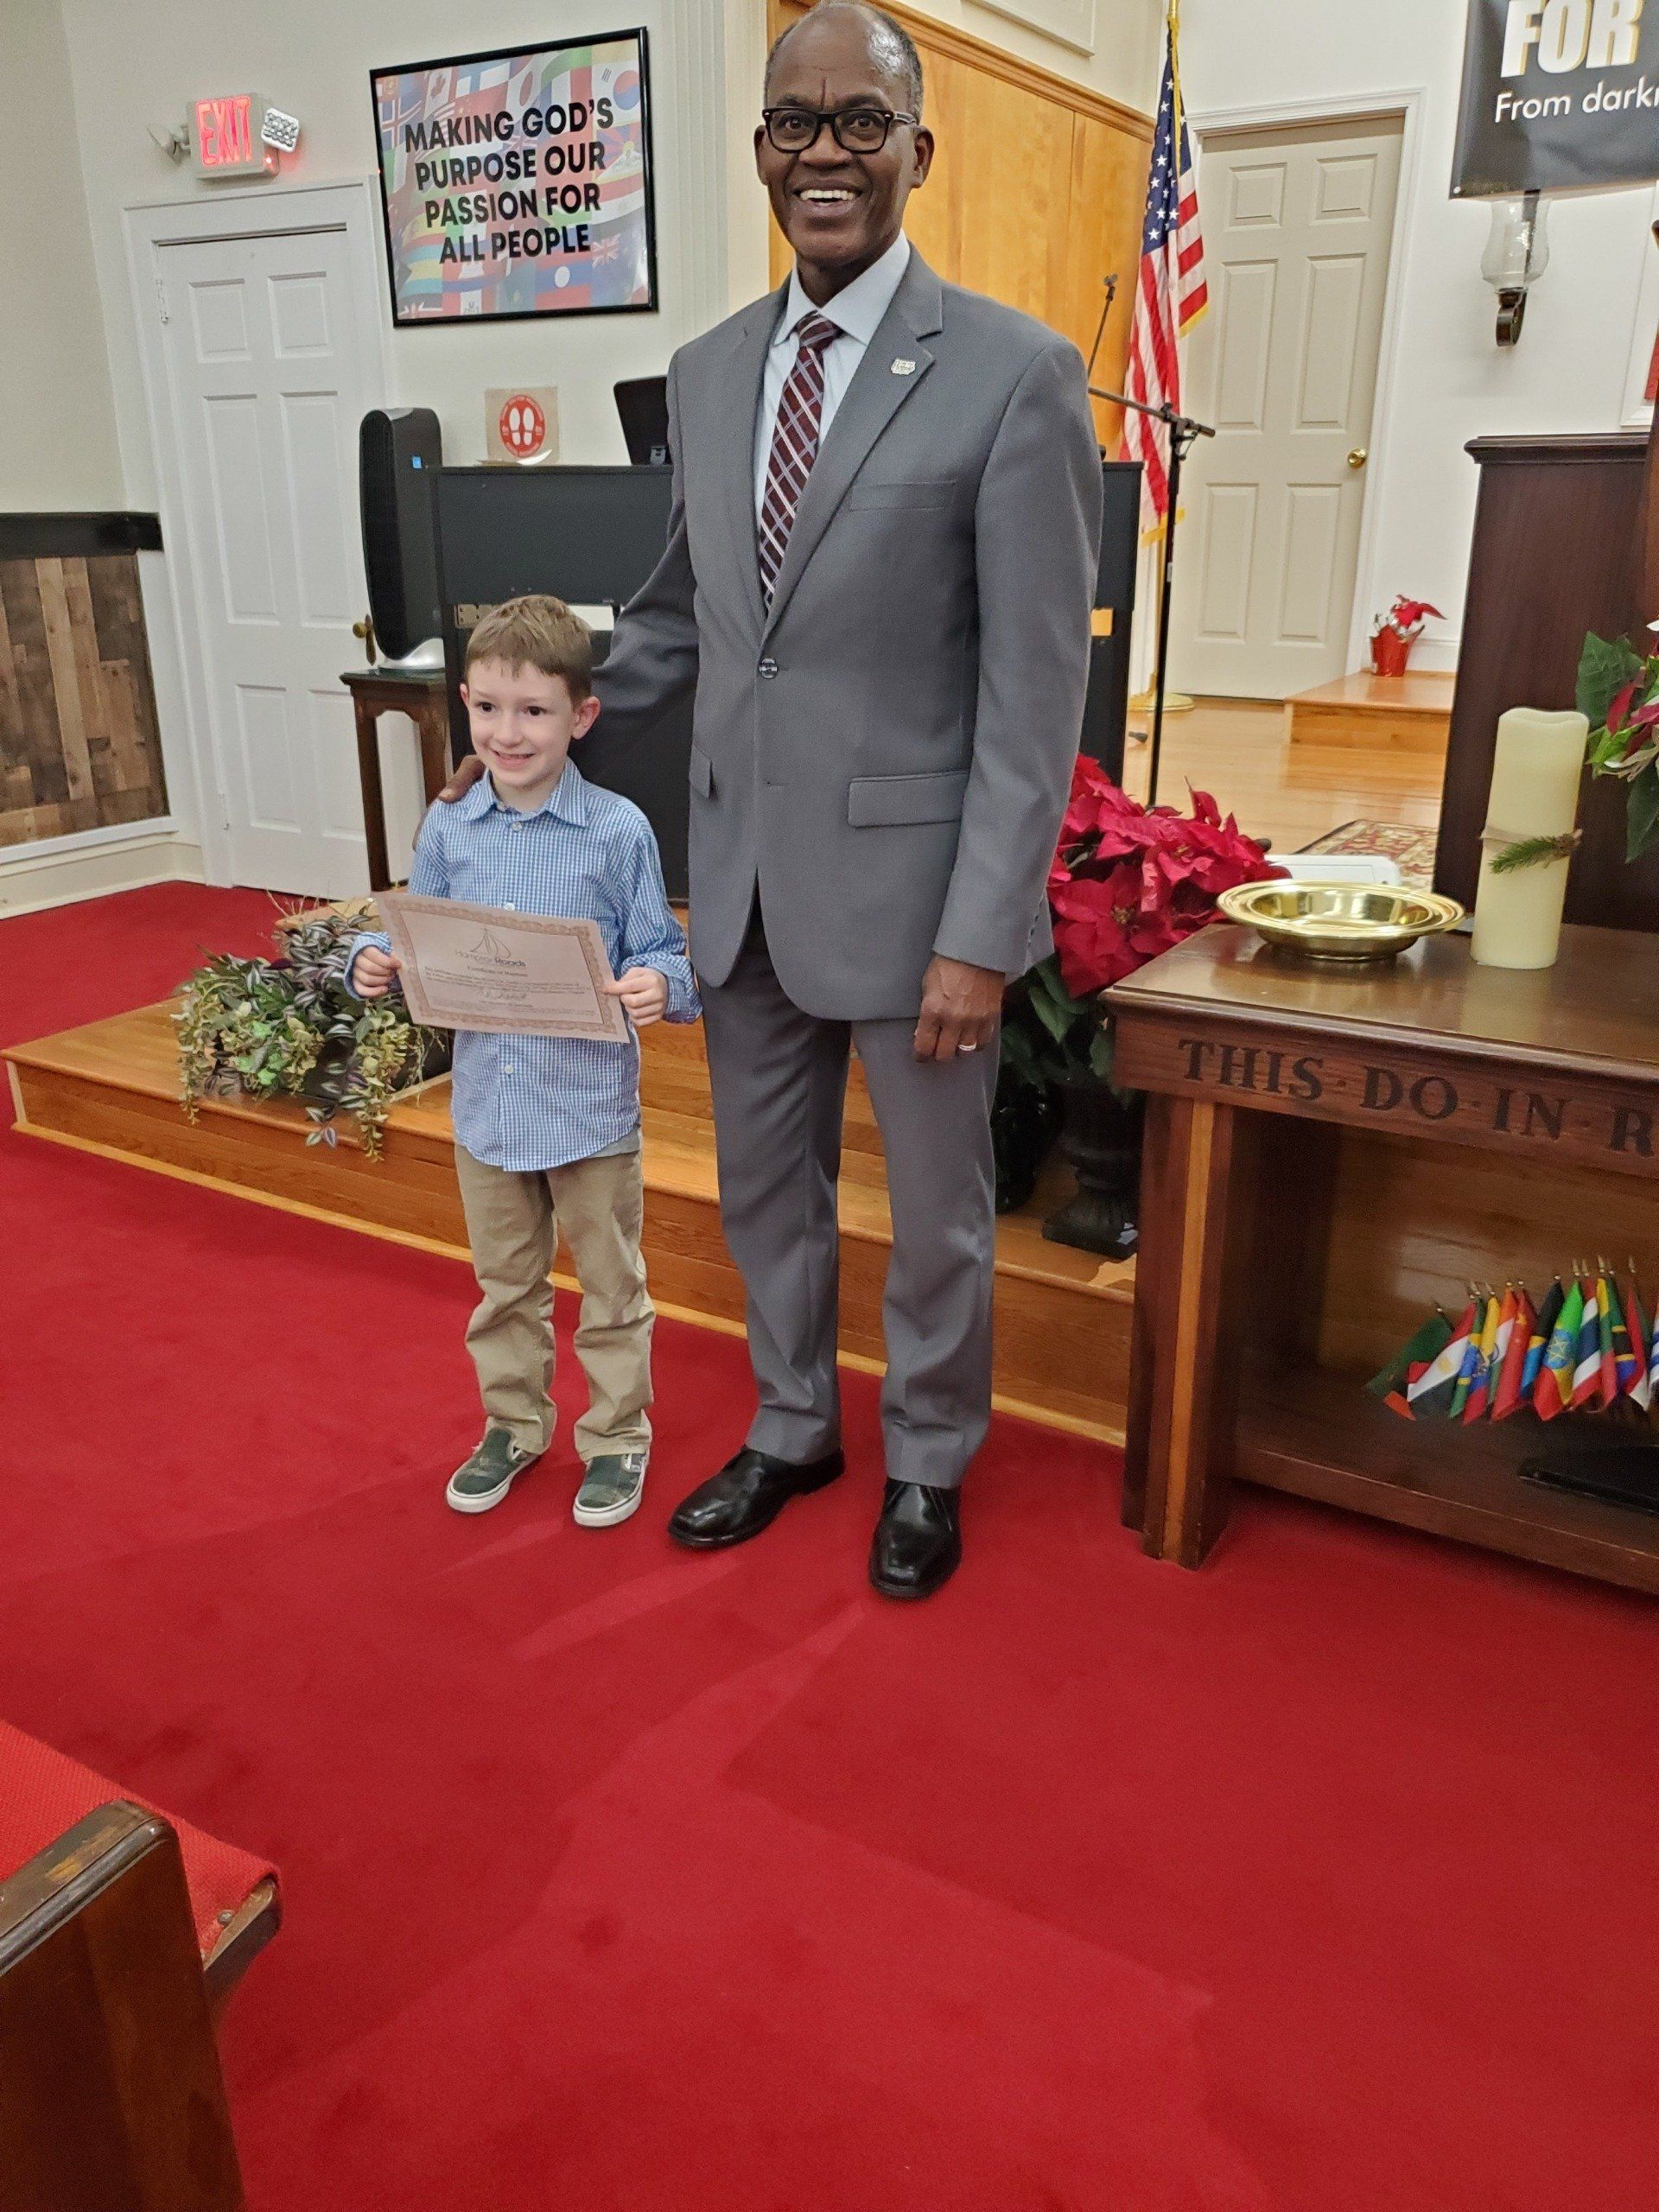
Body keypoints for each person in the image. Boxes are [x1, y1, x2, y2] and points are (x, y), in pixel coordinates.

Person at [442, 1, 1102, 1599]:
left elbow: (1035, 696)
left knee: (936, 1212)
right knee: (762, 1196)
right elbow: (685, 615)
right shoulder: (710, 368)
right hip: (737, 884)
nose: (827, 152)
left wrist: (986, 931)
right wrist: (543, 725)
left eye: (861, 122)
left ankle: (927, 1456)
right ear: (758, 152)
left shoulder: (1014, 374)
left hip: (918, 902)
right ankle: (796, 1423)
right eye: (797, 123)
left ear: (917, 151)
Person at [349, 595, 698, 1528]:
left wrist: (660, 985)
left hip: (588, 1112)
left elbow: (664, 953)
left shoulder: (617, 830)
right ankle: (514, 1423)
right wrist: (374, 960)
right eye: (490, 708)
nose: (508, 733)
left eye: (534, 711)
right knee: (505, 1287)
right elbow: (412, 932)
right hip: (488, 1112)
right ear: (465, 703)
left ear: (581, 716)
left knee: (612, 1288)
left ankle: (617, 1435)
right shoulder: (449, 827)